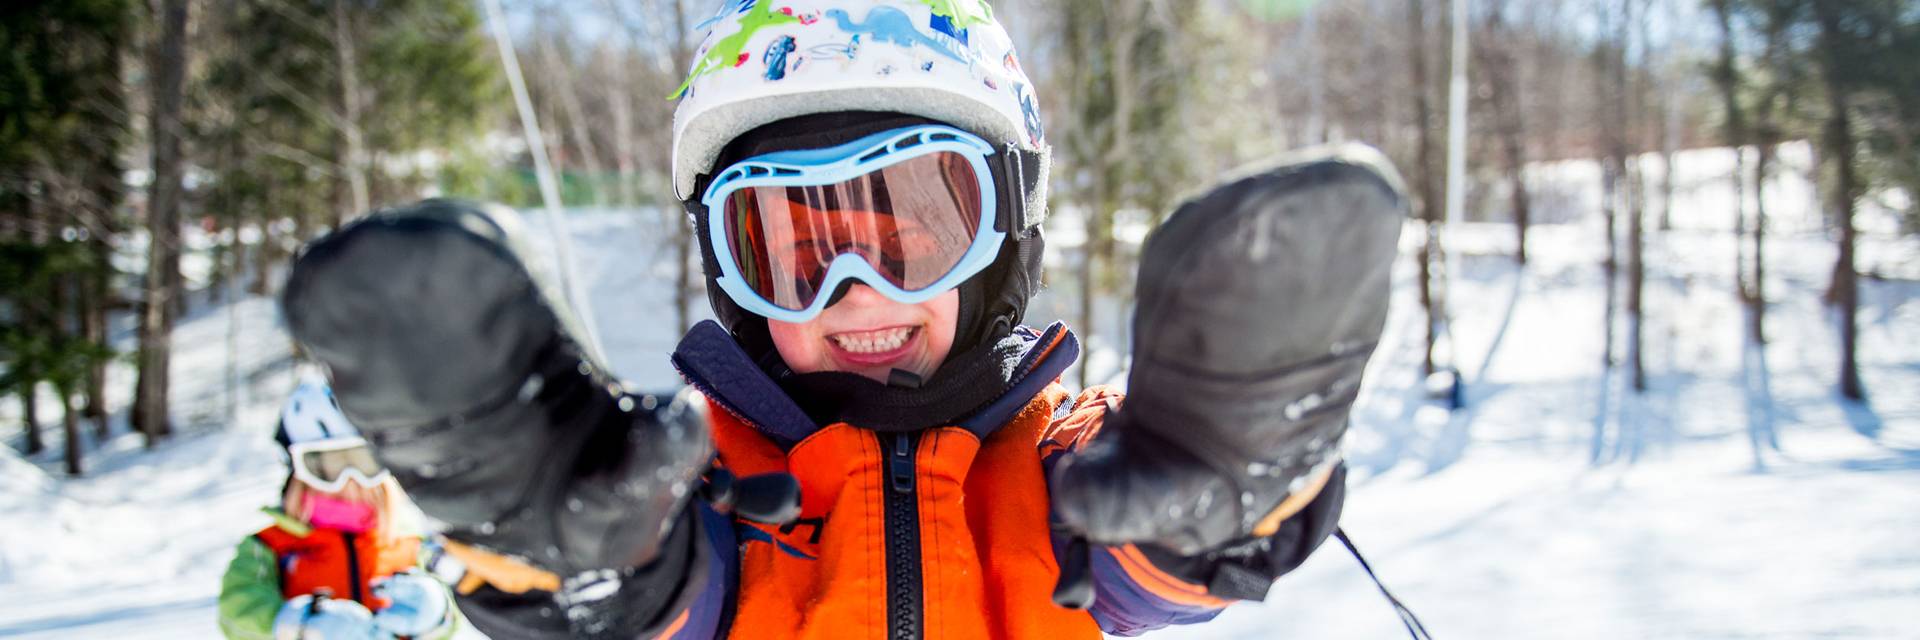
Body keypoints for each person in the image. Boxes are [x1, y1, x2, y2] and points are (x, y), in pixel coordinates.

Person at [279, 1, 1406, 638]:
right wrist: (577, 561)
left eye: (915, 227)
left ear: (1006, 234)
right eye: (793, 247)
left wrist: (1240, 464)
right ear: (727, 273)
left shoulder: (1064, 466)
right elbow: (682, 596)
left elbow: (1153, 553)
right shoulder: (698, 481)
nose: (853, 289)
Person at [217, 382, 460, 640]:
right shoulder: (268, 548)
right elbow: (235, 615)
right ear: (297, 470)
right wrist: (293, 626)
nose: (349, 481)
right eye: (329, 466)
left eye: (362, 462)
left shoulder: (411, 545)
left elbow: (458, 611)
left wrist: (437, 616)